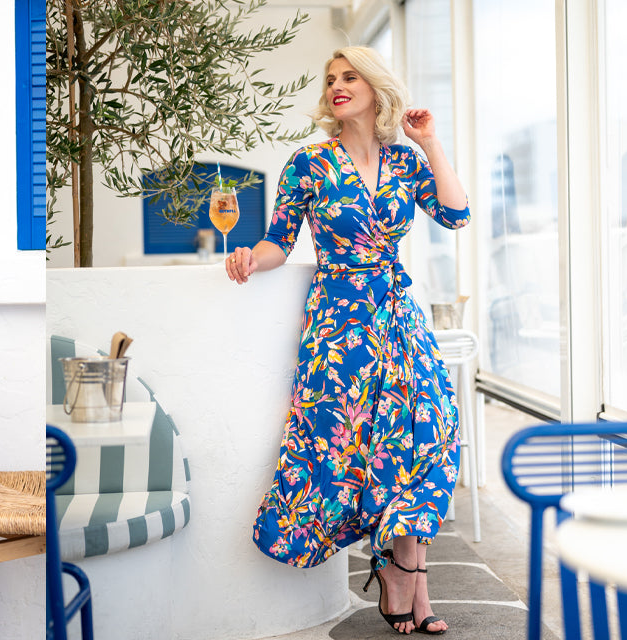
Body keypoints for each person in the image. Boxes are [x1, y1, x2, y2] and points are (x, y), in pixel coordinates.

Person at [228, 46, 469, 635]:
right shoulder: (309, 164)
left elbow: (456, 215)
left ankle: (403, 569)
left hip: (397, 317)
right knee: (346, 445)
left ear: (375, 87)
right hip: (339, 326)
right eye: (332, 78)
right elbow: (279, 241)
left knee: (428, 432)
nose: (338, 85)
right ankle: (410, 582)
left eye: (351, 76)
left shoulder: (405, 159)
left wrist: (431, 142)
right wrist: (250, 257)